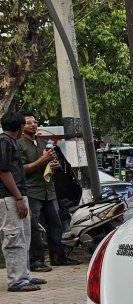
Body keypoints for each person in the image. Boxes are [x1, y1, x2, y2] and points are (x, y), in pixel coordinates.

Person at [0, 110, 44, 292]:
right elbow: (3, 172)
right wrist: (18, 197)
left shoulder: (11, 142)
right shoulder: (4, 142)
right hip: (9, 197)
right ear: (19, 127)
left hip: (18, 195)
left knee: (24, 236)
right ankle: (16, 281)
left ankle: (24, 275)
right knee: (14, 237)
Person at [19, 113, 69, 270]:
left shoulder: (43, 143)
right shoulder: (19, 144)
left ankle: (58, 257)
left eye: (35, 122)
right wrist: (42, 160)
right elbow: (21, 169)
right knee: (34, 227)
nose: (33, 124)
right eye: (29, 122)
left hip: (49, 190)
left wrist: (54, 165)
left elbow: (51, 163)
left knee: (56, 224)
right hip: (32, 191)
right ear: (22, 126)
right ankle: (36, 261)